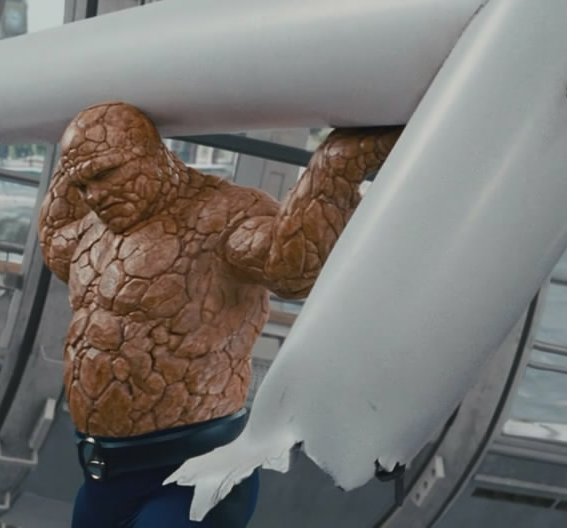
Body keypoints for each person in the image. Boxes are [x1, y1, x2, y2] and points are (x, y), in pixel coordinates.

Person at [38, 102, 401, 527]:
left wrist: (333, 171)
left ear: (153, 154)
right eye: (83, 185)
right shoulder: (92, 231)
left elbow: (291, 270)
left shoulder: (222, 217)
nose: (94, 196)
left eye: (106, 173)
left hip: (194, 473)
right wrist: (76, 145)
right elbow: (54, 241)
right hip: (104, 475)